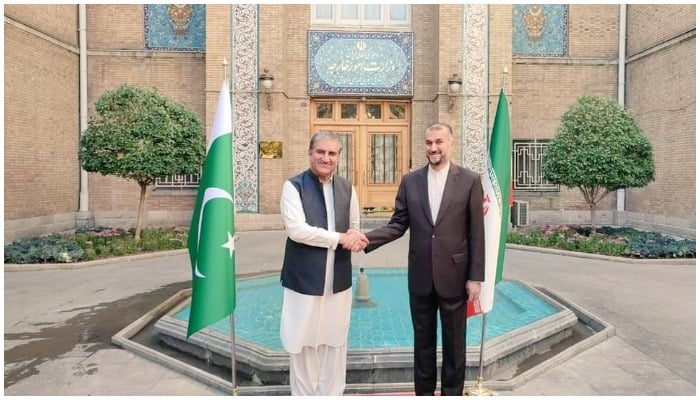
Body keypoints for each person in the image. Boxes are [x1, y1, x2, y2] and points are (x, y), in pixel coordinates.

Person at [364, 122, 485, 396]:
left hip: (455, 275)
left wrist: (475, 277)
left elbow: (477, 233)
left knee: (455, 344)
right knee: (423, 343)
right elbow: (398, 224)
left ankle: (452, 393)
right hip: (420, 277)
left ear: (450, 144)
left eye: (439, 142)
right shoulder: (410, 181)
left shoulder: (469, 180)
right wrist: (365, 239)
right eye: (429, 142)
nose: (433, 147)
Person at [279, 131, 368, 396]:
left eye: (332, 153)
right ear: (310, 153)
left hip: (338, 282)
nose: (326, 158)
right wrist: (340, 238)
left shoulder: (347, 188)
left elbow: (354, 226)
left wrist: (354, 237)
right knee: (304, 342)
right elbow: (297, 230)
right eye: (320, 152)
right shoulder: (293, 186)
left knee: (335, 343)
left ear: (338, 157)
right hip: (304, 281)